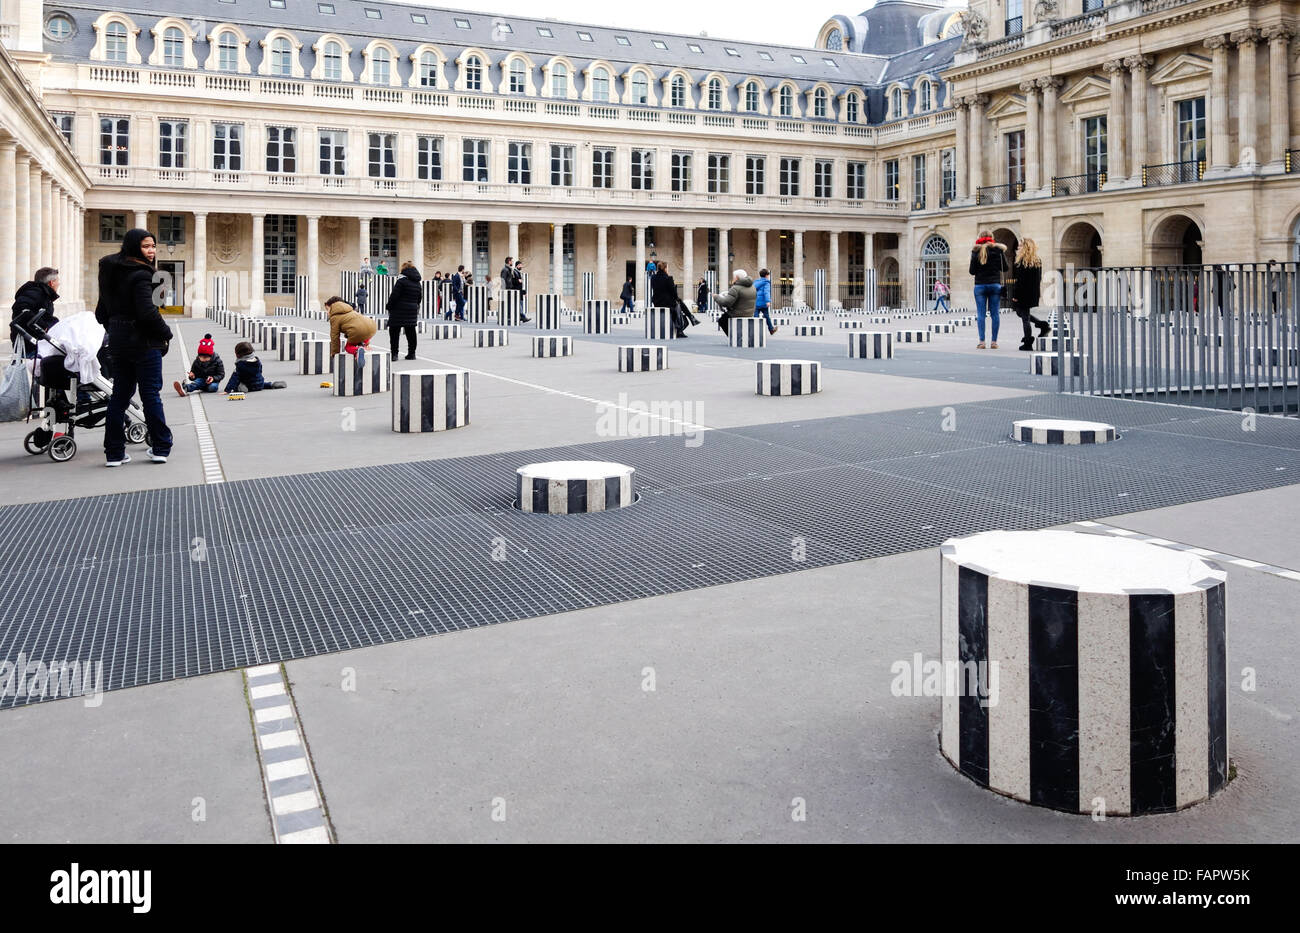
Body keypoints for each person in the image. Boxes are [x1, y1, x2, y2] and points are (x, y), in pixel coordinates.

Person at [95, 228, 173, 466]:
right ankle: (161, 447)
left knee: (119, 396)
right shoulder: (141, 274)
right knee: (150, 394)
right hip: (144, 342)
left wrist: (117, 327)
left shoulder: (110, 271)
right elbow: (148, 312)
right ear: (133, 247)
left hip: (118, 342)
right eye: (145, 246)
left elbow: (101, 313)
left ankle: (114, 453)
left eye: (153, 246)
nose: (151, 251)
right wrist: (166, 333)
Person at [969, 231, 1008, 349]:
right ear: (992, 238)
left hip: (980, 286)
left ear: (979, 238)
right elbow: (1005, 268)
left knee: (981, 314)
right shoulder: (998, 250)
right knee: (995, 314)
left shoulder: (975, 251)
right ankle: (994, 342)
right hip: (994, 285)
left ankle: (982, 342)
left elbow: (972, 271)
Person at [10, 267, 61, 358]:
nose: (59, 283)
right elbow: (20, 308)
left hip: (36, 344)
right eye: (57, 281)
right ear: (51, 283)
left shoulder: (44, 294)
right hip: (29, 346)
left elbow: (44, 316)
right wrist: (43, 326)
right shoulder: (35, 293)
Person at [1011, 238, 1051, 351]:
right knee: (1022, 314)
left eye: (1019, 246)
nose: (1017, 248)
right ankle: (1042, 325)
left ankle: (1028, 342)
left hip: (1023, 293)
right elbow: (1038, 278)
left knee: (1024, 317)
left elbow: (1020, 281)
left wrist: (1015, 295)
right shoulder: (1037, 261)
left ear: (1025, 247)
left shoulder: (1021, 262)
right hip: (1032, 292)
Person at [386, 261, 422, 359]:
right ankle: (412, 353)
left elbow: (394, 296)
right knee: (411, 332)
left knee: (394, 332)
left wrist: (389, 306)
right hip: (412, 310)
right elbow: (419, 298)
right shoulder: (417, 283)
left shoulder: (401, 281)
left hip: (398, 310)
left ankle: (394, 354)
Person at [325, 295, 378, 360]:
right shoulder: (349, 310)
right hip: (372, 326)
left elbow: (334, 336)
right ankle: (364, 345)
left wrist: (335, 353)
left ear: (333, 306)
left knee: (348, 347)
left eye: (327, 309)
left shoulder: (334, 317)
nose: (327, 312)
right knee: (360, 334)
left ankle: (357, 351)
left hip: (358, 331)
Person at [650, 262, 688, 338]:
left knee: (678, 304)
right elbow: (673, 292)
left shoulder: (653, 278)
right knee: (678, 306)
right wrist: (676, 298)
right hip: (667, 303)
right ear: (665, 268)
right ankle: (680, 329)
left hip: (656, 302)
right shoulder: (668, 278)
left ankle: (689, 319)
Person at [714, 269, 757, 335]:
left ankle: (733, 337)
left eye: (733, 277)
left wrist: (716, 297)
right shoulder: (753, 287)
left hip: (737, 313)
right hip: (750, 313)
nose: (733, 278)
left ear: (737, 277)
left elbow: (726, 303)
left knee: (722, 320)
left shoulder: (735, 288)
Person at [754, 268, 778, 336]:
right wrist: (768, 301)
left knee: (755, 316)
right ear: (767, 275)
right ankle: (771, 329)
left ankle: (754, 330)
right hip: (763, 303)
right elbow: (766, 292)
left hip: (756, 302)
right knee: (766, 316)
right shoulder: (766, 282)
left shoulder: (755, 282)